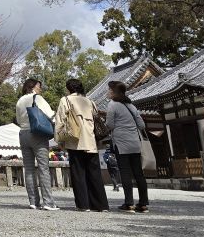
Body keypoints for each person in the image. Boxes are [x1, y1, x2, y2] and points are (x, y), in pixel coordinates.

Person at [55, 78, 108, 212]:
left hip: (75, 140)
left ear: (68, 89)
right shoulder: (90, 102)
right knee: (94, 173)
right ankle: (100, 205)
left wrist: (59, 139)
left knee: (78, 173)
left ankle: (83, 204)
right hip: (91, 140)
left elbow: (60, 120)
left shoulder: (65, 100)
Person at [106, 81, 149, 213]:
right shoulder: (131, 106)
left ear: (113, 92)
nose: (107, 92)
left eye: (109, 90)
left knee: (125, 172)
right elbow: (141, 125)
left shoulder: (112, 105)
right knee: (138, 173)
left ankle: (129, 203)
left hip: (121, 143)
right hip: (135, 143)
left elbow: (110, 125)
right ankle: (143, 203)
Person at [16, 78, 58, 211]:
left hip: (23, 134)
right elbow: (50, 114)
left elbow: (18, 119)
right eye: (39, 86)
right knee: (43, 168)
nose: (40, 89)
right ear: (33, 87)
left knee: (28, 168)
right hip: (37, 134)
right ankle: (48, 202)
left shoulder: (19, 101)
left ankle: (33, 201)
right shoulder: (37, 98)